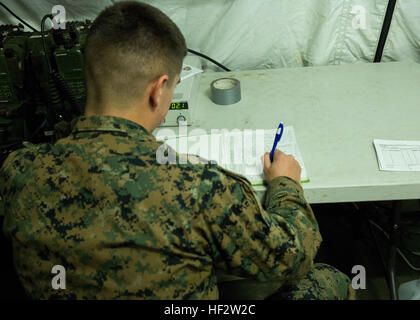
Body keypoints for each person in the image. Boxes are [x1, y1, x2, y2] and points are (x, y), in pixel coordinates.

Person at [0, 1, 355, 300]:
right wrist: (286, 186)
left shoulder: (17, 171)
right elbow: (292, 257)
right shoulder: (202, 188)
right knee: (326, 279)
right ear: (159, 90)